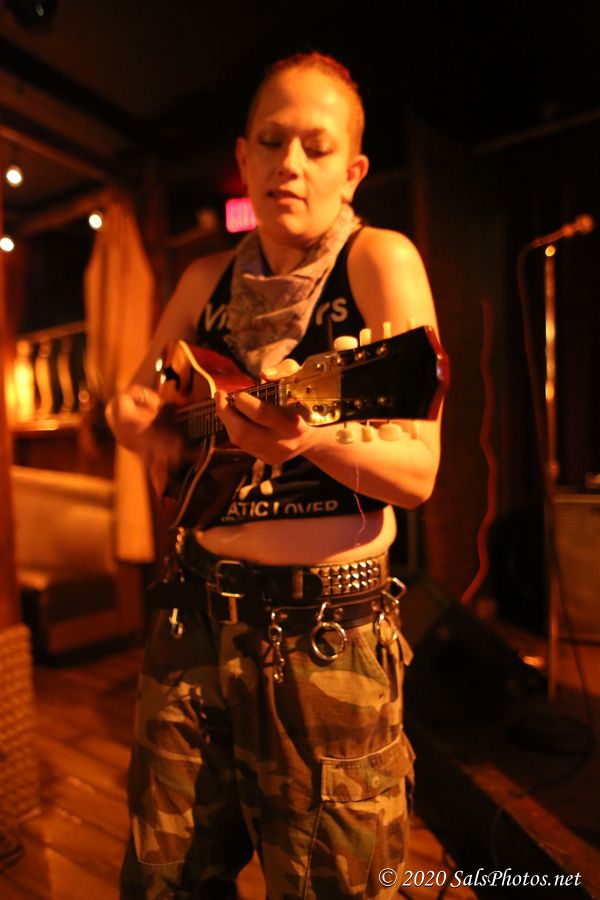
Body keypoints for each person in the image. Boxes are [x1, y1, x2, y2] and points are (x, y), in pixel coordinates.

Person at [107, 52, 442, 900]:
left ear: (353, 170)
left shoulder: (379, 260)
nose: (291, 162)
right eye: (271, 140)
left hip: (326, 640)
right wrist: (137, 425)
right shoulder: (202, 281)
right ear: (244, 156)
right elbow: (143, 411)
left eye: (317, 147)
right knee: (163, 880)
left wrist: (313, 442)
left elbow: (419, 472)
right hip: (192, 617)